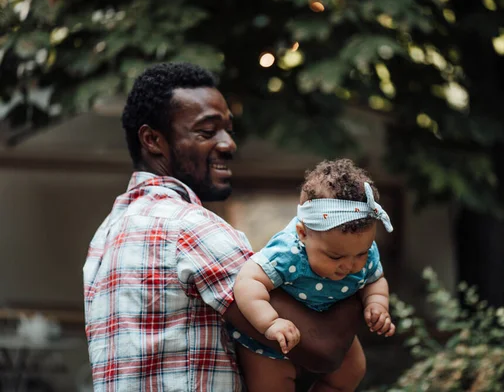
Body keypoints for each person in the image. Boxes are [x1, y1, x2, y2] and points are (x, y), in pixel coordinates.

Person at [83, 62, 361, 392]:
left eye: (228, 129)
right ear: (153, 139)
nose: (229, 144)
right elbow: (322, 347)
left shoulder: (106, 235)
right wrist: (359, 268)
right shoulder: (189, 229)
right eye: (207, 131)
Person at [232, 159, 396, 391]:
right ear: (303, 234)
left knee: (353, 369)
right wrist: (270, 322)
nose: (350, 266)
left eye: (360, 254)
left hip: (330, 325)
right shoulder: (288, 252)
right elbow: (248, 281)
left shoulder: (365, 252)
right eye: (335, 257)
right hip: (275, 341)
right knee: (270, 383)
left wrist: (377, 304)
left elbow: (376, 280)